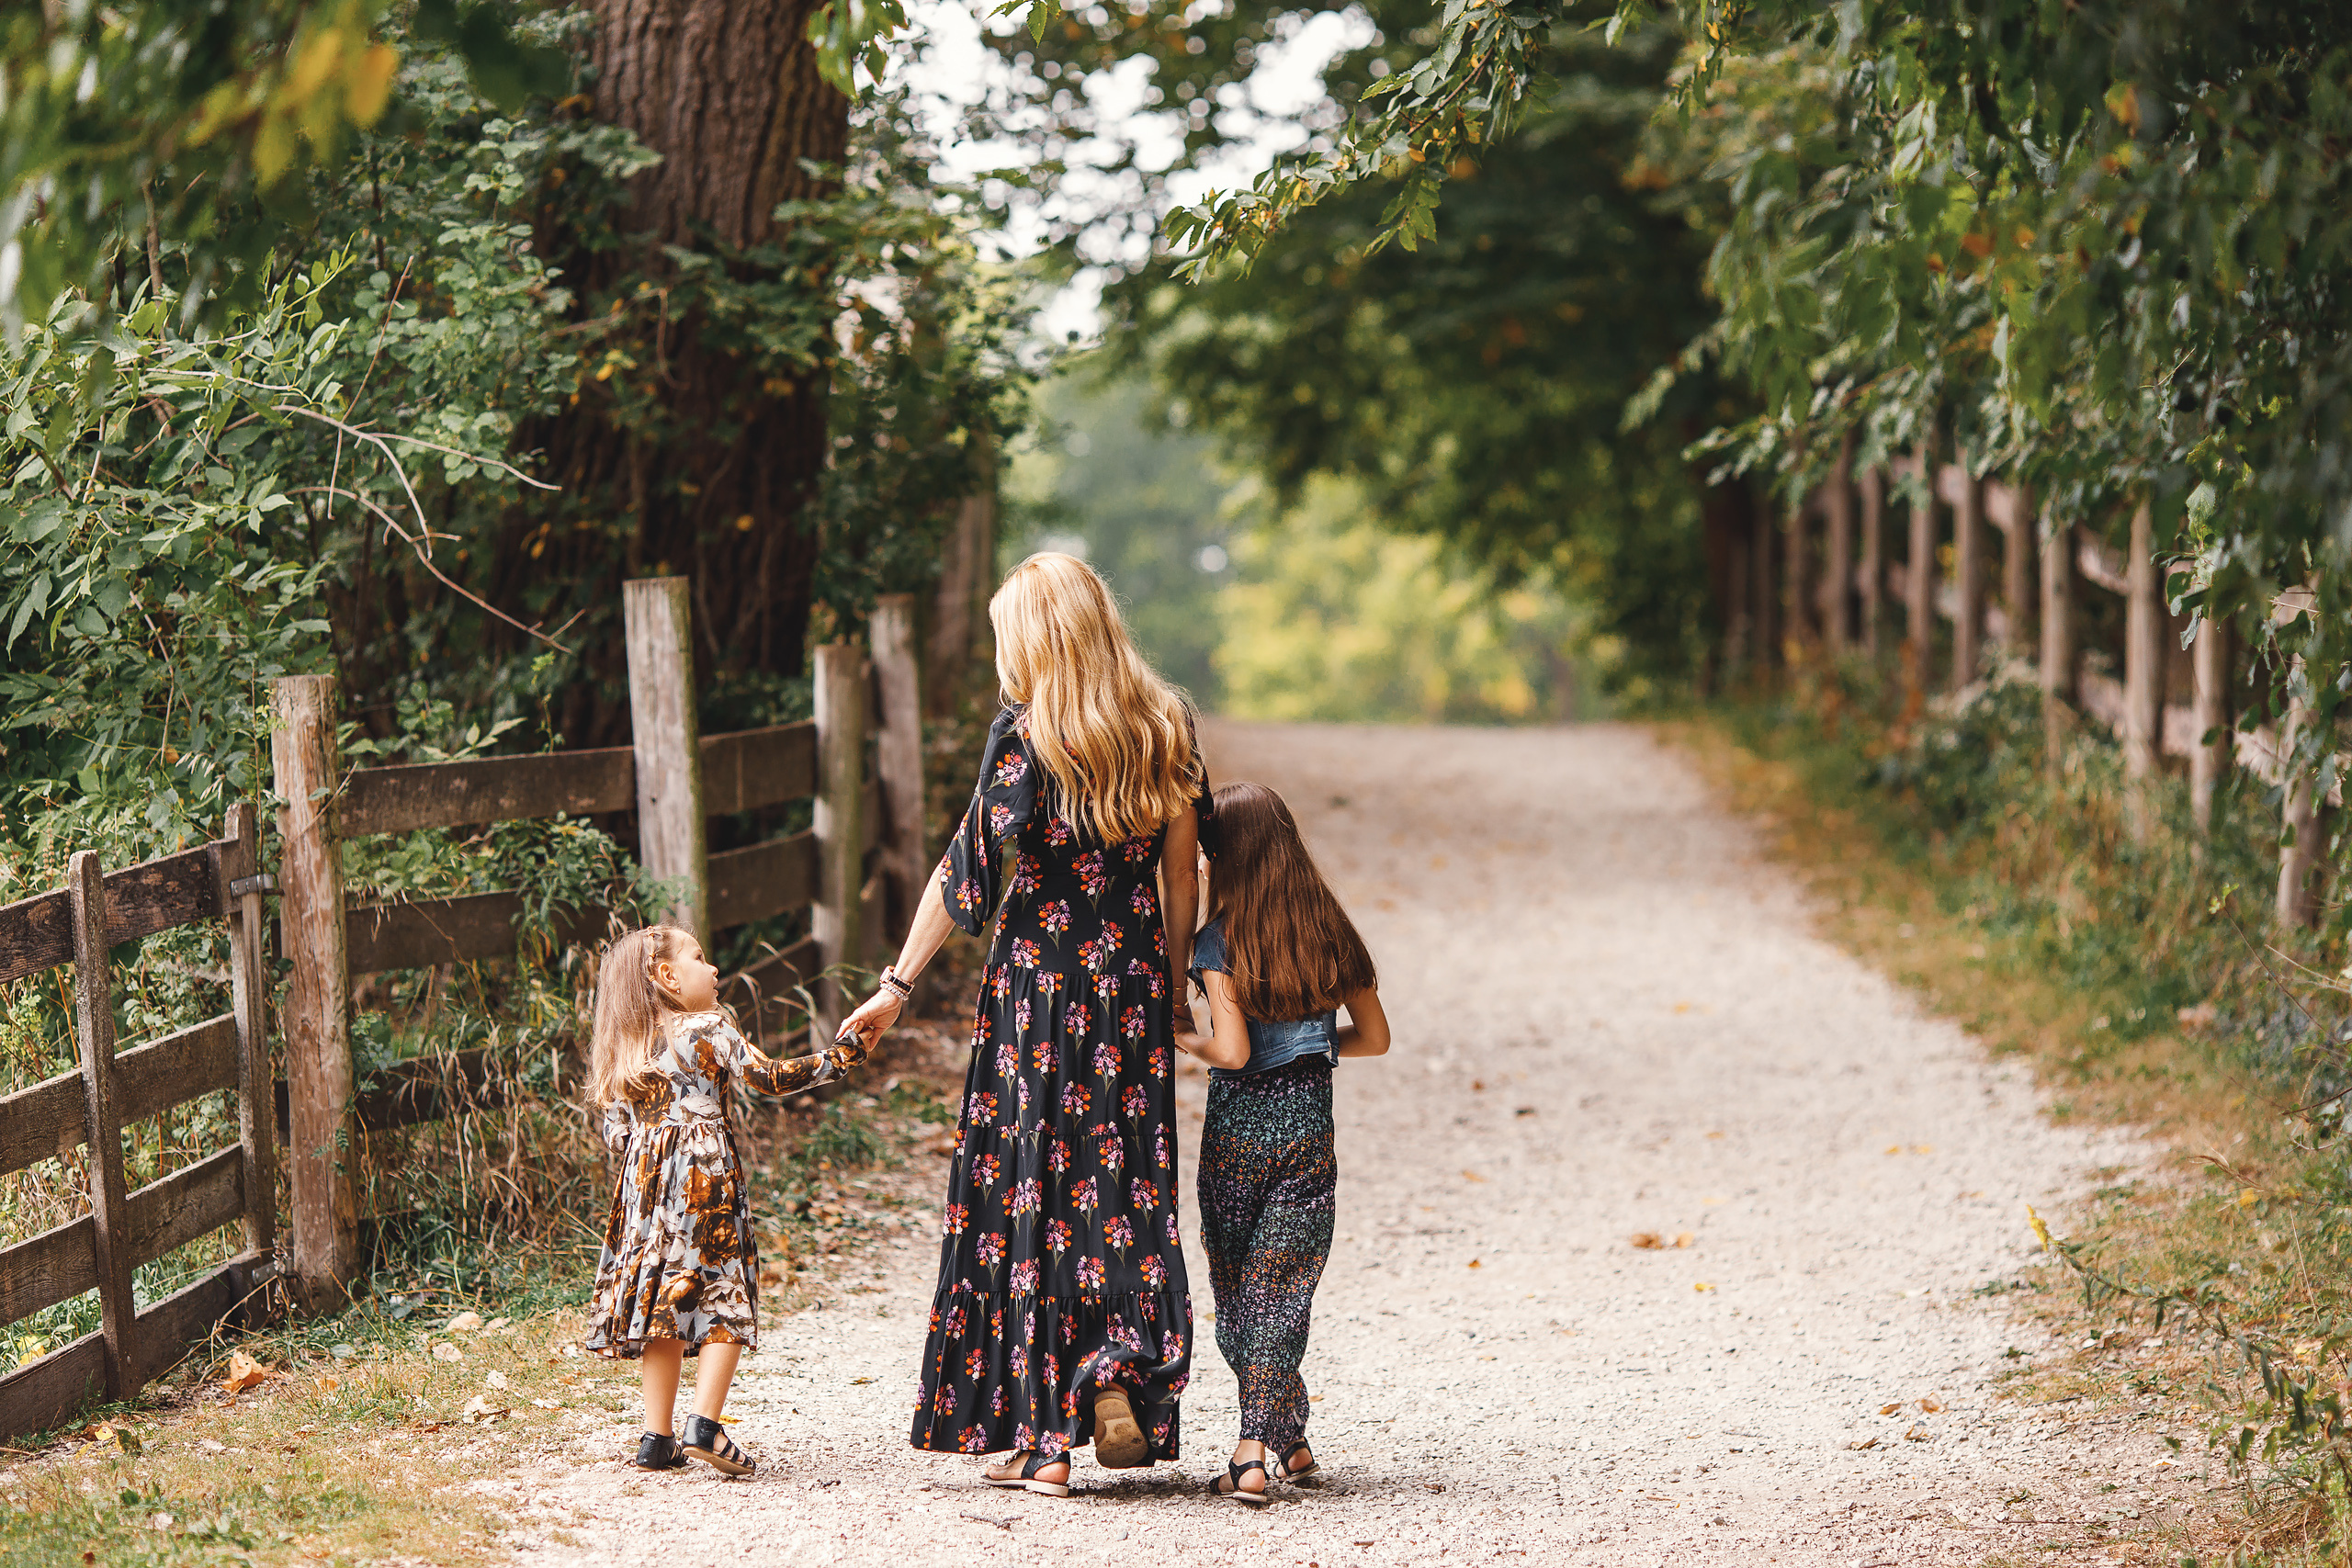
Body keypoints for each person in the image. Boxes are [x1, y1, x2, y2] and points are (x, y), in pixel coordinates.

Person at [838, 551, 1207, 1498]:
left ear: (1036, 638)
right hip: (1125, 990)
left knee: (1032, 1199)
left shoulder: (1025, 737)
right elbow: (1180, 874)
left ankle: (1044, 1438)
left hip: (1036, 996)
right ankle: (1117, 1366)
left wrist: (894, 986)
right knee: (1120, 1187)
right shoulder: (1165, 723)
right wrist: (1169, 988)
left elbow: (968, 875)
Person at [1174, 781, 1389, 1505]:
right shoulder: (1328, 928)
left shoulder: (1218, 938)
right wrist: (1315, 1045)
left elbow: (1231, 1051)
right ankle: (1289, 1434)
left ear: (1225, 855)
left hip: (1239, 1135)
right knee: (1285, 1291)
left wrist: (1181, 1034)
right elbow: (1378, 1038)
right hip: (1308, 1131)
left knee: (1240, 1295)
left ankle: (1250, 1451)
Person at [583, 924, 865, 1476]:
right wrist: (846, 1054)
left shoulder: (627, 1047)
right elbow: (769, 1077)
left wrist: (653, 1153)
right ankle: (706, 1426)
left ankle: (655, 1437)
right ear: (668, 976)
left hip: (643, 1183)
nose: (714, 969)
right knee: (721, 1289)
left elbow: (615, 1131)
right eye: (700, 957)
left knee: (666, 1299)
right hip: (703, 1174)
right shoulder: (708, 1027)